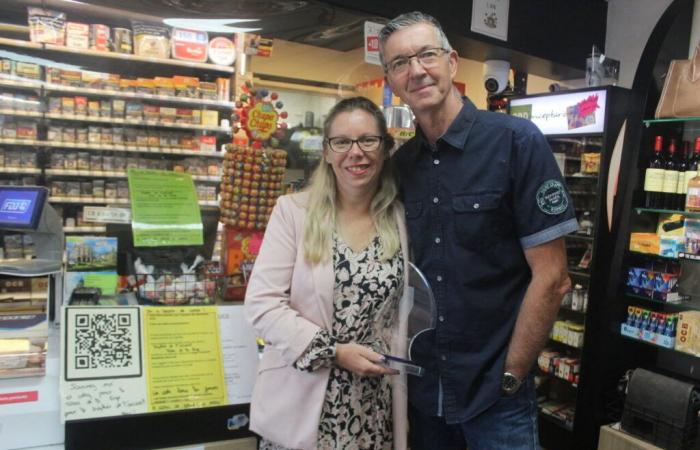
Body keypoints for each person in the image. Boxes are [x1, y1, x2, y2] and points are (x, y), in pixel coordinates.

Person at [378, 11, 578, 450]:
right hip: (423, 392)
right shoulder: (399, 168)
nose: (416, 70)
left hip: (495, 395)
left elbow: (553, 277)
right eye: (399, 63)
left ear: (451, 61)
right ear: (390, 80)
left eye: (426, 55)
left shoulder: (517, 142)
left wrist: (513, 374)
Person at [244, 96, 410, 450]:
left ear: (385, 148)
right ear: (327, 151)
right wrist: (334, 350)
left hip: (373, 406)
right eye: (342, 142)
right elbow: (262, 304)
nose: (356, 152)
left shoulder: (400, 220)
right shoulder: (293, 213)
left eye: (368, 140)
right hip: (302, 400)